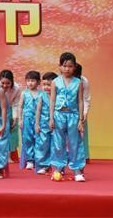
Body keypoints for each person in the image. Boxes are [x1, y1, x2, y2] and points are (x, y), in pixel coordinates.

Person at [50, 52, 86, 182]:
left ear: (74, 67)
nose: (67, 69)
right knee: (58, 143)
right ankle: (58, 168)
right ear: (60, 66)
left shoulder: (78, 82)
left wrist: (81, 119)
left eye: (70, 66)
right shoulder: (55, 82)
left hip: (73, 115)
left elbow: (80, 101)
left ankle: (77, 170)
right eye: (64, 66)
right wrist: (51, 118)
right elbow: (52, 100)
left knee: (75, 143)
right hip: (58, 115)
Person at [35, 72, 57, 174]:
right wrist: (37, 124)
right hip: (44, 124)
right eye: (44, 85)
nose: (46, 87)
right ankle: (44, 165)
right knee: (43, 145)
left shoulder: (58, 96)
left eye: (49, 85)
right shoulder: (41, 96)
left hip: (56, 124)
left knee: (56, 145)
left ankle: (57, 167)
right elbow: (38, 110)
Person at [19, 71, 41, 170]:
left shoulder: (41, 94)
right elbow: (20, 107)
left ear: (38, 82)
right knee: (27, 139)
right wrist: (20, 119)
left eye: (32, 80)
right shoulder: (24, 93)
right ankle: (30, 160)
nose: (30, 83)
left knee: (38, 138)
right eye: (28, 81)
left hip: (38, 120)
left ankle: (38, 159)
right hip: (27, 119)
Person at [0, 69, 21, 163]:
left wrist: (15, 118)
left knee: (12, 133)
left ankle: (9, 156)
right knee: (1, 133)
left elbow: (16, 104)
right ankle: (0, 156)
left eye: (8, 83)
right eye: (2, 83)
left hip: (10, 110)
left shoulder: (17, 88)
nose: (5, 86)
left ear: (12, 82)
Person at [74, 63, 91, 162]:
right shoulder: (62, 80)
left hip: (80, 108)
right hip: (66, 110)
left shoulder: (84, 81)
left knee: (82, 132)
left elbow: (86, 98)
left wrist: (84, 113)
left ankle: (84, 156)